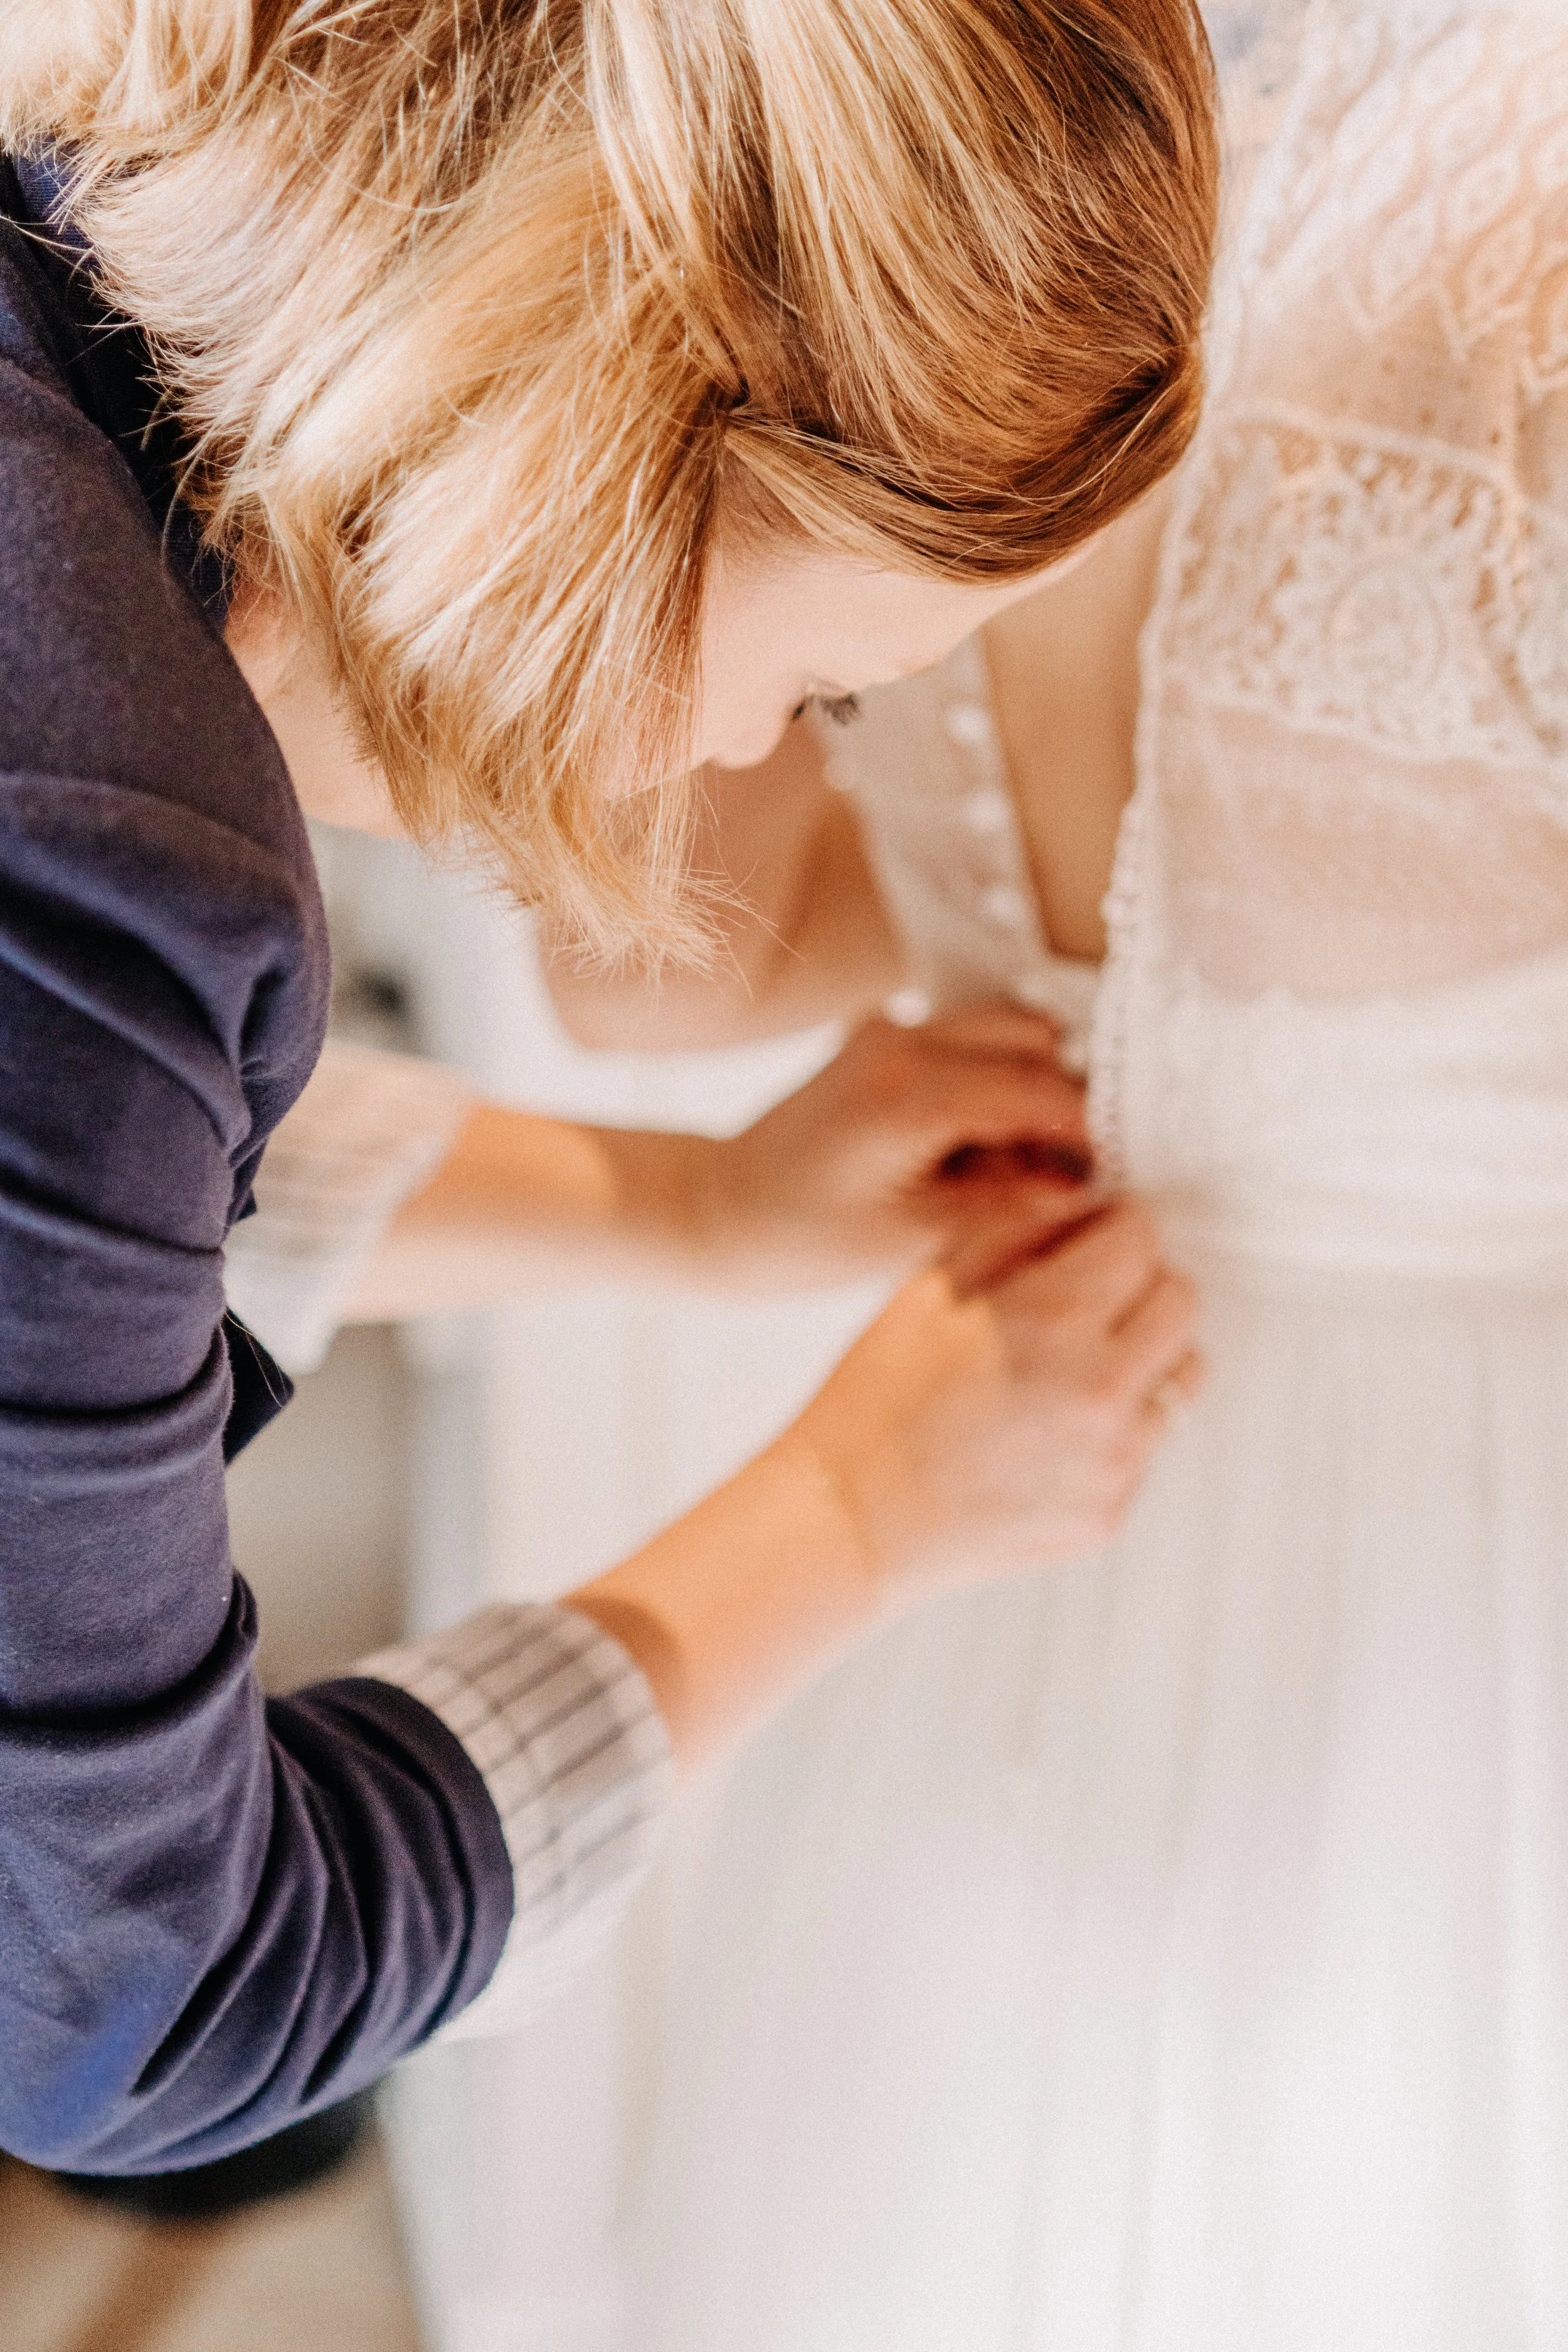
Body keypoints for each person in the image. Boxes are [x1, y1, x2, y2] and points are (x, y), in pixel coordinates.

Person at [0, 1, 1214, 2175]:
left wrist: (682, 1208)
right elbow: (139, 2003)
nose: (755, 757)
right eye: (824, 680)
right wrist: (849, 1505)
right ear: (612, 473)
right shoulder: (109, 856)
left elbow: (52, 1202)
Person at [527, 3, 1568, 2343]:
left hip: (992, 1501)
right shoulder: (1521, 185)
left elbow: (668, 970)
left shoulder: (883, 123)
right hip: (1474, 1594)